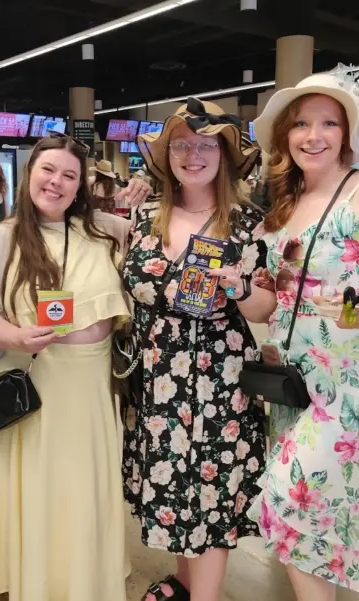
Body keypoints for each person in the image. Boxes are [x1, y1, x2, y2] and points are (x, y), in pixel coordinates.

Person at [246, 67, 359, 598]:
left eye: (328, 122)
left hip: (354, 384)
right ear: (285, 135)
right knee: (312, 512)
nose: (313, 135)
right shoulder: (283, 202)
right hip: (293, 380)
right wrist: (243, 286)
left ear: (349, 131)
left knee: (290, 494)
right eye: (301, 123)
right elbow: (271, 301)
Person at [0, 134, 132, 601]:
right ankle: (30, 579)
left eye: (69, 175)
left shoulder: (103, 232)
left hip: (90, 387)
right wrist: (10, 335)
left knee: (79, 486)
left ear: (80, 187)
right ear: (28, 174)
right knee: (34, 485)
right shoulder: (0, 238)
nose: (56, 182)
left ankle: (80, 576)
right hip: (29, 385)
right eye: (47, 170)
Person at [124, 98, 267, 601]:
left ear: (225, 156)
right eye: (182, 143)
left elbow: (266, 307)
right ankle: (185, 582)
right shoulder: (144, 217)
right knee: (173, 487)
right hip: (158, 377)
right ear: (168, 156)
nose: (194, 153)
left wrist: (240, 289)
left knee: (211, 491)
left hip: (218, 381)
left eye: (207, 144)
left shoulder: (247, 223)